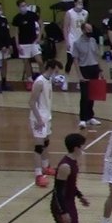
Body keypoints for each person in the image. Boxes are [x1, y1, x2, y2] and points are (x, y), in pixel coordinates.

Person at [50, 133, 92, 223]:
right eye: (82, 146)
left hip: (69, 203)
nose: (84, 148)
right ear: (76, 148)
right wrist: (63, 212)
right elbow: (57, 191)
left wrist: (80, 196)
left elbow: (71, 185)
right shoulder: (65, 166)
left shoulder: (73, 162)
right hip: (62, 206)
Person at [29, 60, 63, 188]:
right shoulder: (39, 82)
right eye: (56, 71)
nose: (56, 74)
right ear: (50, 68)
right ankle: (38, 175)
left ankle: (45, 167)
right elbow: (31, 102)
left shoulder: (48, 80)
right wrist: (38, 119)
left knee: (46, 143)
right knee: (38, 146)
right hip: (39, 118)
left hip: (46, 117)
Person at [72, 23, 103, 130]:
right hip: (84, 69)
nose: (90, 31)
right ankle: (83, 119)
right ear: (83, 30)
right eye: (88, 30)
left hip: (94, 68)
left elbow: (96, 56)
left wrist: (100, 69)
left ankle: (90, 116)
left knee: (92, 95)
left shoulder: (93, 41)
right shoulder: (77, 43)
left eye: (91, 29)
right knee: (84, 95)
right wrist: (79, 75)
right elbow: (75, 60)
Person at [12, 0, 44, 84]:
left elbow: (42, 24)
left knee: (40, 61)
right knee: (26, 62)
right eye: (22, 6)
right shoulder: (16, 18)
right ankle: (30, 79)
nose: (24, 7)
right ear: (18, 7)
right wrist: (17, 45)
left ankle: (43, 78)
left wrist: (39, 37)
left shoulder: (32, 15)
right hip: (23, 43)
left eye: (25, 5)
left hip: (34, 42)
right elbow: (16, 33)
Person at [63, 0, 89, 79]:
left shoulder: (86, 13)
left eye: (81, 3)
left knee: (82, 61)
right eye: (78, 2)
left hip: (81, 39)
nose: (80, 4)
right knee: (70, 60)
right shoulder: (69, 13)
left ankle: (81, 79)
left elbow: (85, 27)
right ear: (74, 3)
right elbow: (65, 28)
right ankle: (65, 79)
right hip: (72, 38)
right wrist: (66, 41)